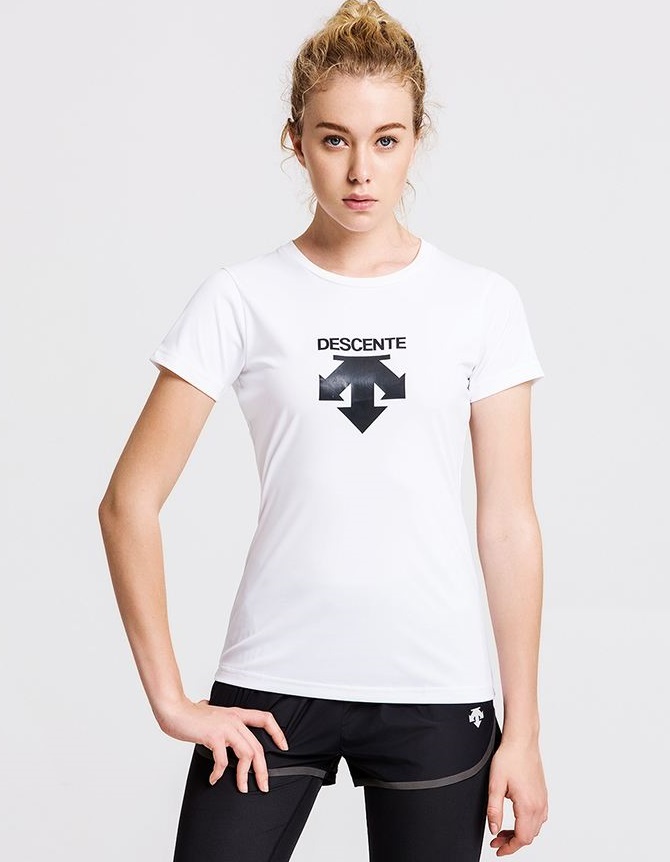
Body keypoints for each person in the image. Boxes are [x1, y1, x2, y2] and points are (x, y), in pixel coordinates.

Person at [98, 1, 549, 859]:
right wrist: (171, 701)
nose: (360, 171)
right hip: (272, 682)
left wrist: (522, 733)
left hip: (435, 689)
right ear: (295, 141)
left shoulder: (481, 303)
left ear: (417, 140)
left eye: (387, 139)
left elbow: (508, 524)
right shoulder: (240, 298)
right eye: (334, 139)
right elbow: (128, 504)